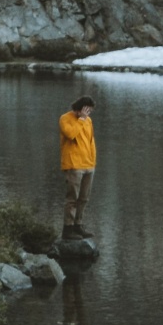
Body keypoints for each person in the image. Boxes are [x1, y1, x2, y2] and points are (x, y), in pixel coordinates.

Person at [59, 92, 96, 236]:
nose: (89, 113)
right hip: (74, 165)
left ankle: (78, 225)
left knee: (84, 198)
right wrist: (81, 119)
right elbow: (71, 134)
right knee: (72, 198)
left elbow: (90, 141)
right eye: (87, 110)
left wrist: (93, 161)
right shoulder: (65, 118)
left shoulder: (88, 121)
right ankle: (67, 229)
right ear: (80, 108)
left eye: (90, 111)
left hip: (88, 164)